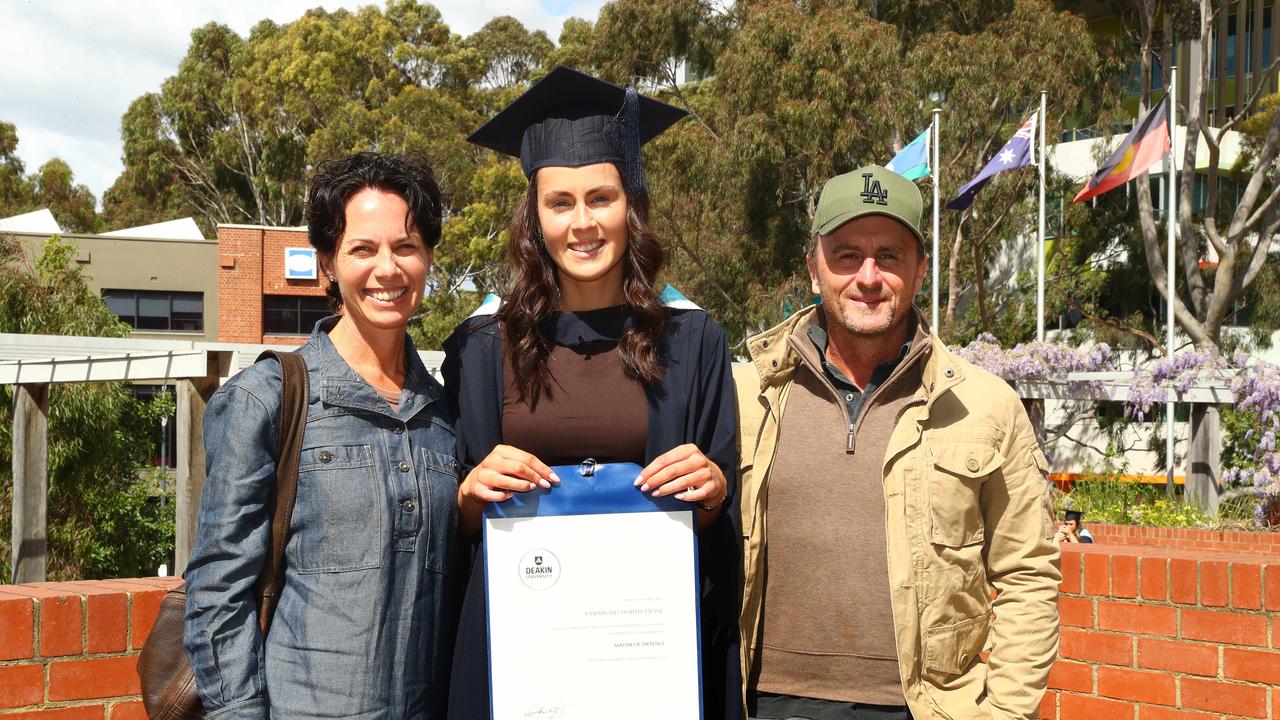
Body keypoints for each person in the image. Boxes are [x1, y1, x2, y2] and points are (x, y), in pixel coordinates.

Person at [444, 66, 741, 719]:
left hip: (645, 660)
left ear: (629, 206)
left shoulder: (692, 342)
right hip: (520, 663)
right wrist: (468, 497)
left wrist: (713, 489)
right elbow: (457, 523)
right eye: (560, 203)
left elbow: (720, 512)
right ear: (535, 216)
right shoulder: (480, 348)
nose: (582, 222)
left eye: (601, 198)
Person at [734, 165, 1060, 720]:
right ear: (814, 270)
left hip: (923, 707)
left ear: (920, 270)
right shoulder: (746, 393)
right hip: (763, 702)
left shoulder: (985, 405)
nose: (868, 276)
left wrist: (1003, 712)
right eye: (846, 255)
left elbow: (1029, 572)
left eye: (889, 255)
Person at [184, 152, 458, 720]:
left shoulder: (447, 415)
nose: (388, 268)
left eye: (406, 247)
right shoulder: (269, 398)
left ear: (428, 258)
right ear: (328, 263)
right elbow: (218, 589)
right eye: (363, 249)